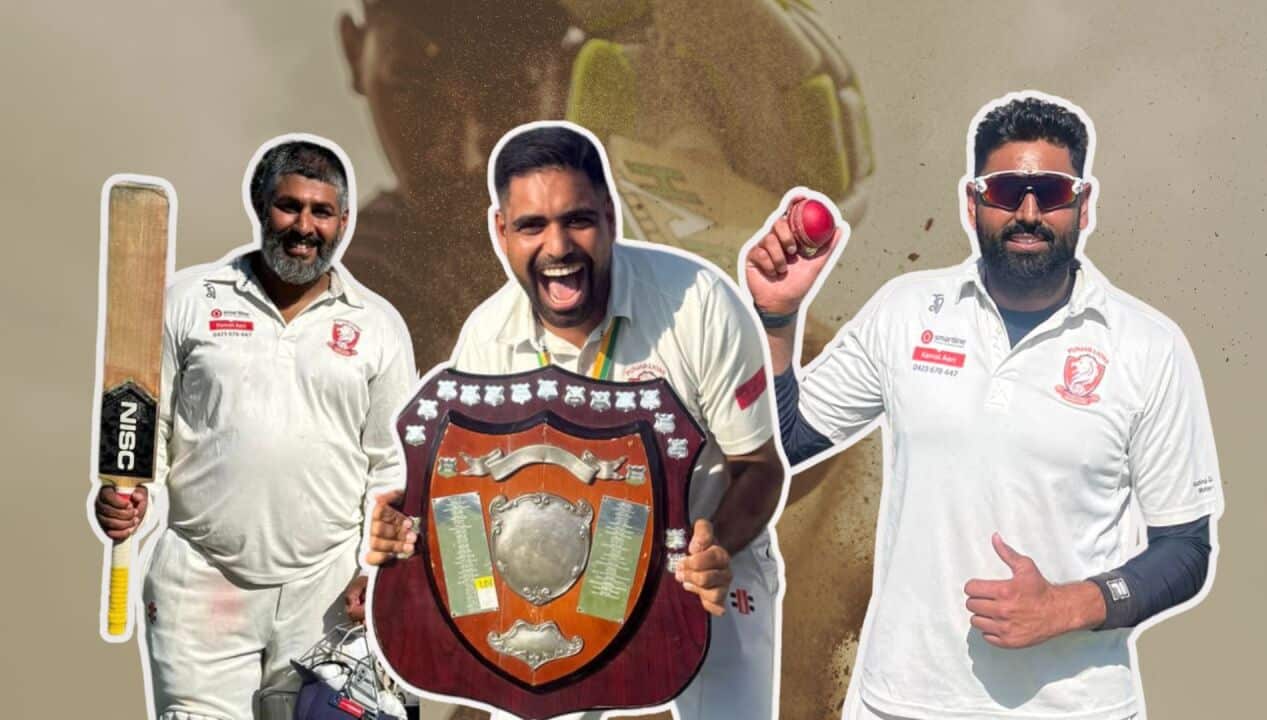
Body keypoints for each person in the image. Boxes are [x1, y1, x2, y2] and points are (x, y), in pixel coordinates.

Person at [335, 5, 879, 715]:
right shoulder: (378, 287)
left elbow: (792, 426)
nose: (469, 144)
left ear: (564, 70)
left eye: (506, 85)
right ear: (355, 51)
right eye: (416, 83)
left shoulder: (666, 253)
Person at [743, 93, 1224, 720]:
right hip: (902, 704)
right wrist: (778, 319)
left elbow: (1186, 548)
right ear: (972, 204)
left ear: (1083, 205)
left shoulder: (1147, 345)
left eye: (1050, 192)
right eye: (1005, 192)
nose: (1028, 212)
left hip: (1075, 709)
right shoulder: (906, 311)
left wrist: (1069, 605)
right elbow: (787, 442)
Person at [365, 122, 787, 720]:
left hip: (708, 572)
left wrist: (712, 544)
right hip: (567, 584)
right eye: (532, 226)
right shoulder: (486, 337)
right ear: (501, 232)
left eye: (577, 220)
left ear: (611, 216)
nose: (558, 247)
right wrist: (405, 526)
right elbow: (463, 494)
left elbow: (758, 468)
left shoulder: (698, 304)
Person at [93, 138, 415, 720]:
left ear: (343, 220)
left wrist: (379, 573)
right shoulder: (189, 301)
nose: (304, 227)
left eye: (322, 211)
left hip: (327, 591)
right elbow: (145, 433)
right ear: (260, 204)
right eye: (289, 206)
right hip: (202, 585)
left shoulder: (379, 327)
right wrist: (126, 500)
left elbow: (392, 467)